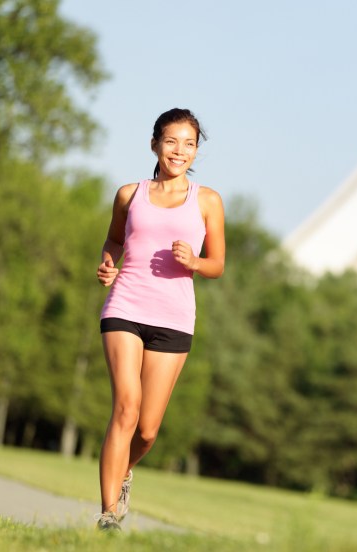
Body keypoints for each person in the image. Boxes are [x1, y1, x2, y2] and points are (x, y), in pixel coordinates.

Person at [94, 108, 225, 531]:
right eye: (171, 141)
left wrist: (196, 262)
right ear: (155, 144)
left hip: (174, 317)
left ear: (196, 150)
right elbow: (115, 238)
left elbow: (218, 263)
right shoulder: (129, 194)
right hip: (125, 305)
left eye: (189, 143)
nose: (179, 151)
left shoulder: (207, 200)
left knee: (147, 430)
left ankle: (124, 472)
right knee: (125, 409)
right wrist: (107, 263)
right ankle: (109, 513)